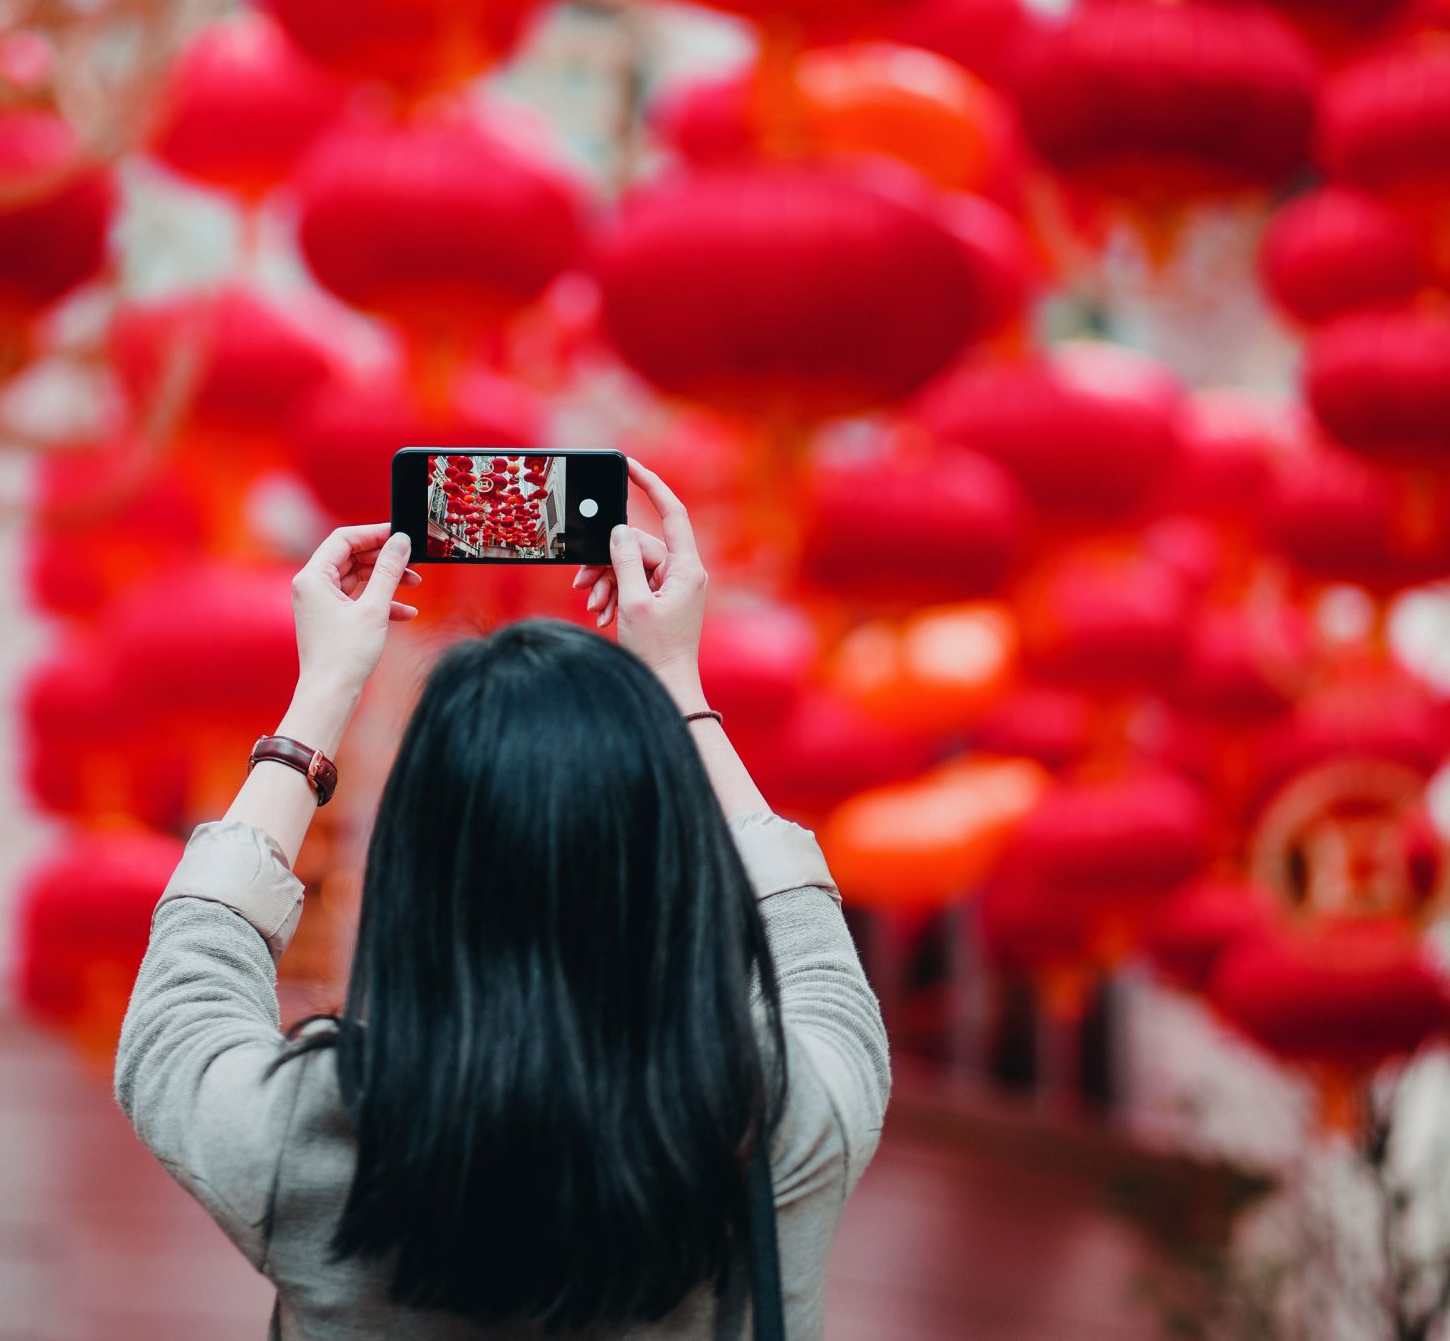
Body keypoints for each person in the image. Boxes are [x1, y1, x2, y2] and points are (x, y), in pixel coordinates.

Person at [116, 459, 889, 1339]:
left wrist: (320, 695)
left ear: (414, 870)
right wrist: (679, 685)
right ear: (670, 862)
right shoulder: (783, 1119)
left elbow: (188, 985)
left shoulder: (312, 1142)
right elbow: (802, 934)